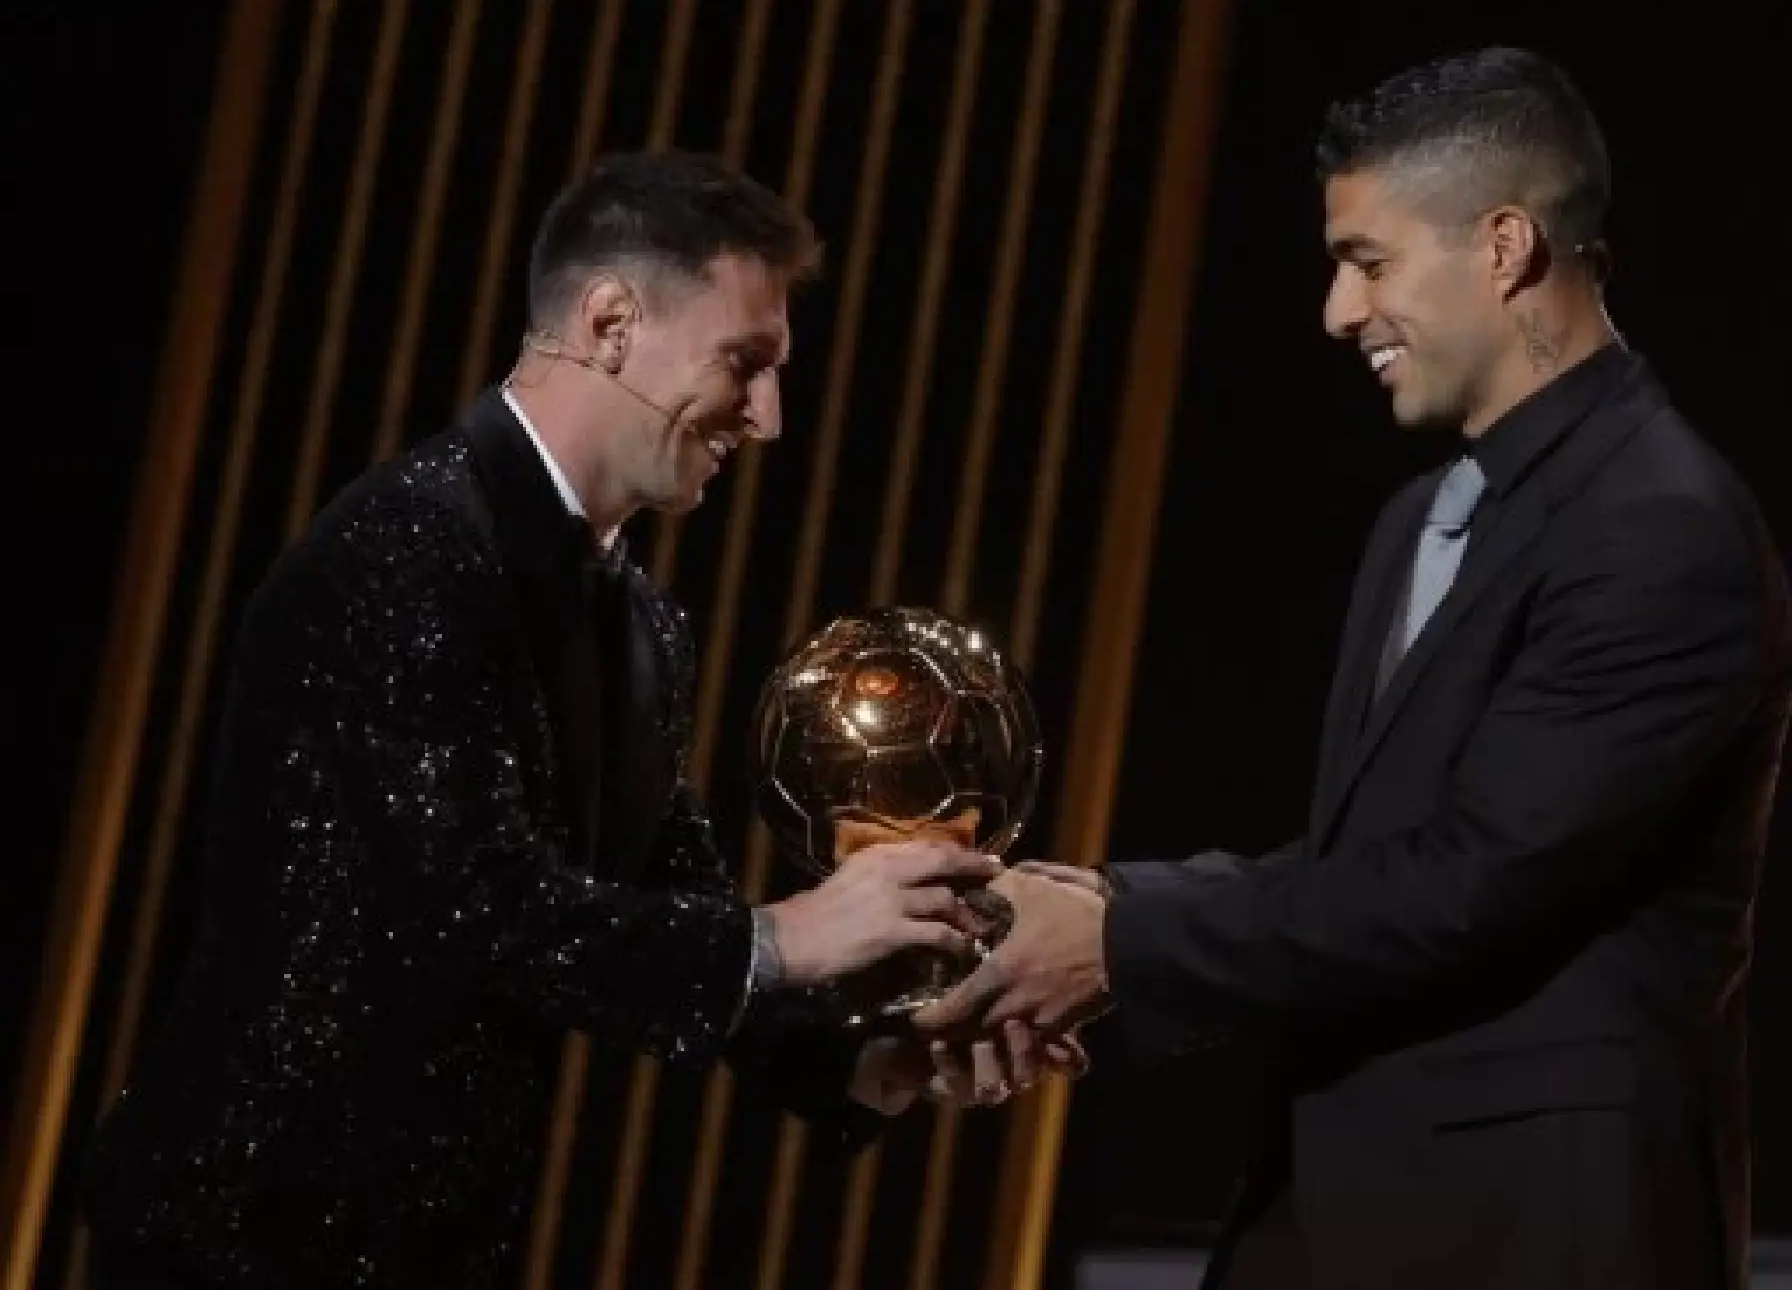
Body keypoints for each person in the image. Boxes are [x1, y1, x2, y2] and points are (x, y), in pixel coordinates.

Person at [82, 151, 1074, 1290]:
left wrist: (862, 1060)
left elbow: (665, 907)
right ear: (609, 322)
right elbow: (478, 907)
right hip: (241, 1242)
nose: (769, 418)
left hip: (435, 1251)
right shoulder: (404, 551)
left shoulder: (643, 621)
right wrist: (790, 937)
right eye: (744, 365)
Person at [918, 47, 1792, 1290]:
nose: (1336, 312)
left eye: (1367, 262)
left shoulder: (1660, 527)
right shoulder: (1418, 523)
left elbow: (1462, 888)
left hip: (1537, 1234)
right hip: (1335, 1207)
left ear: (1501, 247)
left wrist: (1122, 941)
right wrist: (1102, 911)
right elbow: (1365, 868)